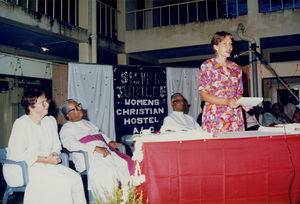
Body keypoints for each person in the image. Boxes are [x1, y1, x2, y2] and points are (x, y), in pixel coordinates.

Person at [3, 89, 86, 204]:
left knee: (75, 178)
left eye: (46, 101)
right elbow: (17, 154)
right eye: (42, 102)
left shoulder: (50, 121)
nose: (47, 104)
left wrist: (54, 154)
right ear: (31, 107)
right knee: (61, 182)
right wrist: (45, 159)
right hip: (23, 167)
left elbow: (56, 146)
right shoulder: (21, 124)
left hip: (46, 165)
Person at [59, 99, 132, 202]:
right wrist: (95, 148)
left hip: (105, 151)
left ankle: (126, 199)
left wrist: (110, 142)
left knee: (124, 164)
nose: (79, 109)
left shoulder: (88, 123)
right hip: (88, 156)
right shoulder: (66, 129)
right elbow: (70, 145)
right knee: (108, 171)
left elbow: (100, 136)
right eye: (74, 109)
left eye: (78, 106)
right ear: (68, 115)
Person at [198, 31, 250, 134]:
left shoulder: (236, 68)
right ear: (216, 47)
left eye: (230, 43)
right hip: (215, 115)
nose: (229, 47)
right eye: (225, 44)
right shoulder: (208, 66)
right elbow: (204, 95)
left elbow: (239, 93)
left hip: (234, 115)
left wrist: (244, 103)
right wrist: (226, 102)